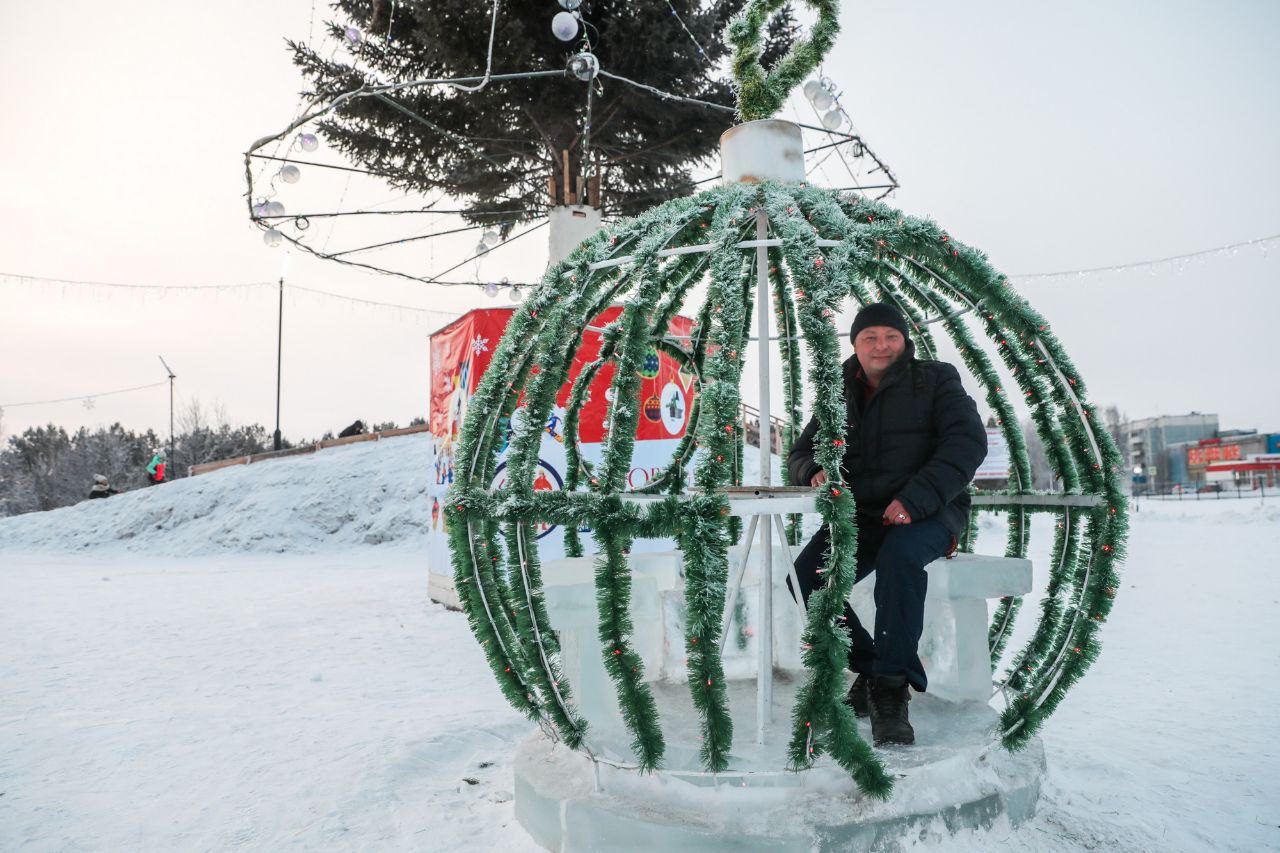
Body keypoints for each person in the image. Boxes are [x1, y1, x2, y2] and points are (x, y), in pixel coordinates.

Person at [788, 302, 987, 746]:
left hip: (931, 510)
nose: (881, 346)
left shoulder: (936, 380)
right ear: (855, 345)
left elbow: (967, 444)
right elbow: (801, 453)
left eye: (890, 337)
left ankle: (892, 690)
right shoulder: (838, 392)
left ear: (905, 340)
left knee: (900, 560)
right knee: (806, 579)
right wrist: (811, 472)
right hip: (863, 514)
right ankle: (874, 666)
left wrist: (915, 499)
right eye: (870, 338)